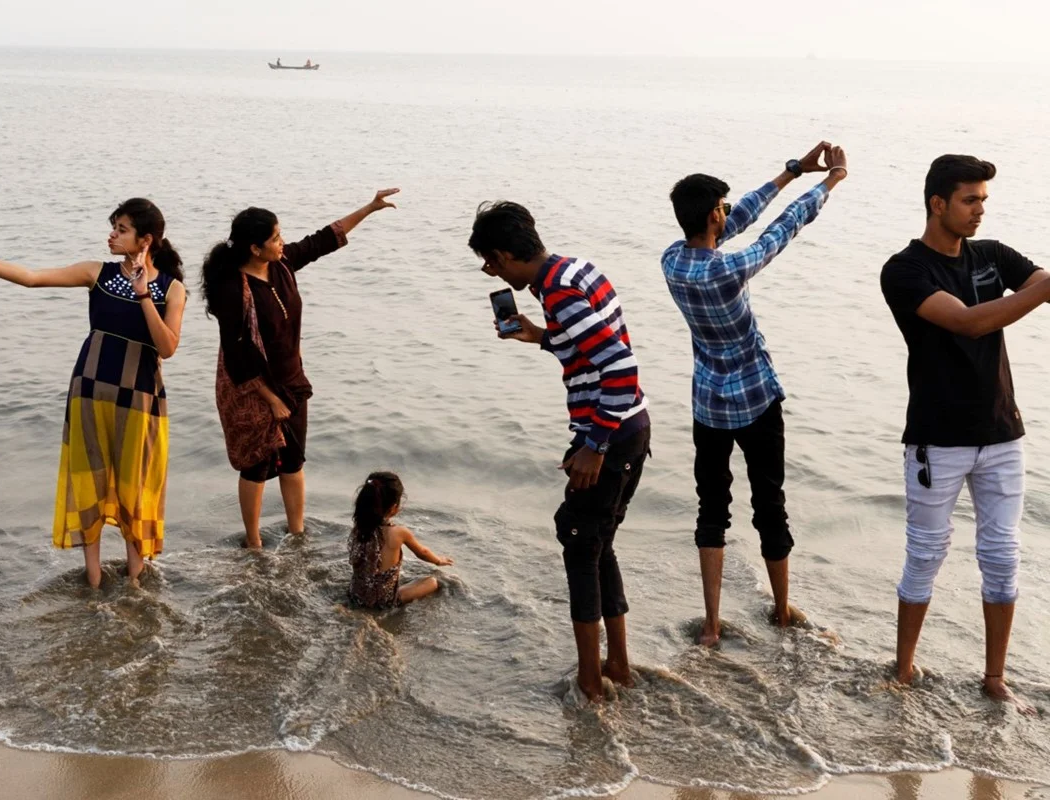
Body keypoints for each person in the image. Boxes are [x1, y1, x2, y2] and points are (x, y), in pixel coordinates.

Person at [661, 142, 848, 647]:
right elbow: (781, 229)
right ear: (711, 215)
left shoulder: (673, 262)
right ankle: (783, 611)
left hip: (708, 403)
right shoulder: (727, 270)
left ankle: (712, 625)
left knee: (711, 508)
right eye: (721, 209)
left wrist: (791, 171)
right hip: (757, 401)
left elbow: (739, 217)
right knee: (770, 506)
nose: (728, 213)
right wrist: (830, 181)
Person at [881, 155, 1050, 714]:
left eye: (983, 200)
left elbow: (1040, 278)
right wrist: (1041, 292)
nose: (980, 210)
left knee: (1003, 556)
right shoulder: (904, 271)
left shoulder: (991, 255)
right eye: (970, 200)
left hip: (1003, 431)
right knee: (926, 553)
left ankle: (995, 677)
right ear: (938, 204)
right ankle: (904, 667)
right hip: (937, 437)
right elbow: (969, 322)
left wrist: (1043, 286)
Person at [471, 201, 651, 703]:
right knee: (598, 543)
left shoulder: (558, 289)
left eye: (491, 261)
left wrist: (594, 446)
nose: (490, 271)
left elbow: (620, 366)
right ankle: (617, 664)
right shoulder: (576, 269)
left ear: (508, 254)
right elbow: (593, 345)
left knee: (577, 540)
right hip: (630, 427)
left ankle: (592, 682)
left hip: (610, 433)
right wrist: (542, 338)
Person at [0, 199, 186, 589]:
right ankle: (93, 581)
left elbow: (167, 347)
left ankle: (134, 580)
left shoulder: (172, 289)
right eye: (113, 227)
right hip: (89, 391)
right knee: (89, 480)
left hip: (141, 398)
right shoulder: (96, 273)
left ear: (146, 239)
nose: (112, 235)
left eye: (122, 229)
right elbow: (31, 278)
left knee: (136, 484)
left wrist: (144, 292)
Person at [200, 189, 399, 549]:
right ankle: (254, 542)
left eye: (281, 234)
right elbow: (237, 353)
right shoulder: (234, 290)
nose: (283, 241)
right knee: (256, 466)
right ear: (254, 249)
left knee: (293, 461)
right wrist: (269, 398)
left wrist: (369, 208)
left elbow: (324, 239)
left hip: (293, 381)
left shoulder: (282, 265)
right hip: (256, 386)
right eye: (275, 238)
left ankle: (297, 534)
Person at [348, 471, 453, 608]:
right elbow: (423, 552)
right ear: (393, 507)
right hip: (384, 602)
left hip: (356, 595)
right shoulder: (398, 532)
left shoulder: (359, 528)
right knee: (432, 581)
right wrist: (439, 560)